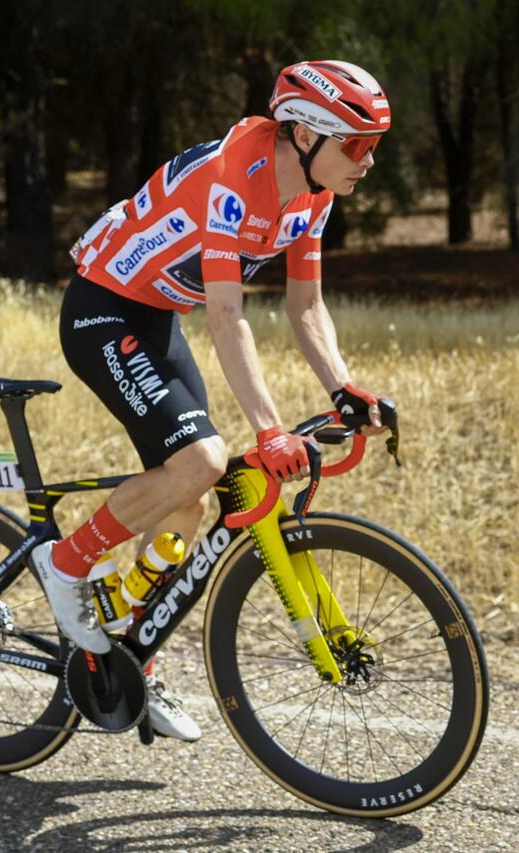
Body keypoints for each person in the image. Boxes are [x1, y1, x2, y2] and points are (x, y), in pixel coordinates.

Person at [31, 60, 395, 741]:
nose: (368, 161)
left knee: (190, 499)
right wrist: (270, 428)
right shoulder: (236, 178)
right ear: (306, 135)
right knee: (204, 461)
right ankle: (67, 562)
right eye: (356, 145)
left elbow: (305, 303)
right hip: (103, 309)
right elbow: (227, 317)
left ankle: (132, 660)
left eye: (373, 145)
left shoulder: (314, 194)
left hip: (157, 315)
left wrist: (344, 387)